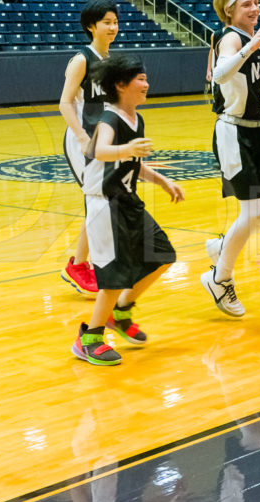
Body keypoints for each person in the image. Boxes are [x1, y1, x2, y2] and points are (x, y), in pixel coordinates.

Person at [72, 54, 183, 365]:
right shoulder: (108, 119)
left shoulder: (136, 118)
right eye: (140, 79)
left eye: (146, 78)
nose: (146, 84)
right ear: (120, 85)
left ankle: (120, 311)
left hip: (127, 199)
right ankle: (90, 338)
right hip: (103, 203)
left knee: (161, 254)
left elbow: (132, 163)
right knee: (114, 274)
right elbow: (99, 150)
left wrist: (161, 180)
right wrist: (126, 149)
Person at [200, 0, 260, 318]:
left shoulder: (248, 40)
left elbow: (243, 69)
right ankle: (220, 279)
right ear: (229, 10)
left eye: (256, 2)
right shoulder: (230, 36)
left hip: (256, 131)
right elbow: (221, 74)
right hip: (233, 133)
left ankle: (222, 247)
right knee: (251, 212)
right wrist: (252, 50)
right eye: (246, 4)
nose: (255, 8)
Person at [59, 0, 120, 296]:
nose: (113, 27)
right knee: (97, 200)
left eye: (115, 22)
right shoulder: (82, 59)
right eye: (106, 22)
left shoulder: (112, 60)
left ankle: (80, 264)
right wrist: (83, 138)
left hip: (103, 140)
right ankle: (81, 264)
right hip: (81, 140)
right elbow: (65, 103)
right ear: (91, 26)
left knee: (102, 199)